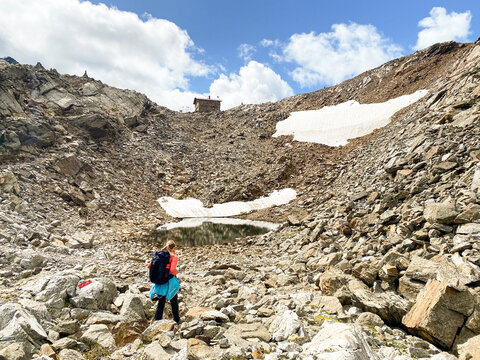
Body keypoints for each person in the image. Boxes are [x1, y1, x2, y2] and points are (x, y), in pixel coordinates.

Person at [148, 240, 181, 323]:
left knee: (161, 301)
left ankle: (157, 320)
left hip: (160, 280)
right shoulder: (173, 256)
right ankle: (176, 319)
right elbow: (173, 270)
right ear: (174, 248)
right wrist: (176, 273)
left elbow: (149, 266)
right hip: (169, 281)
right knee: (174, 299)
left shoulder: (159, 255)